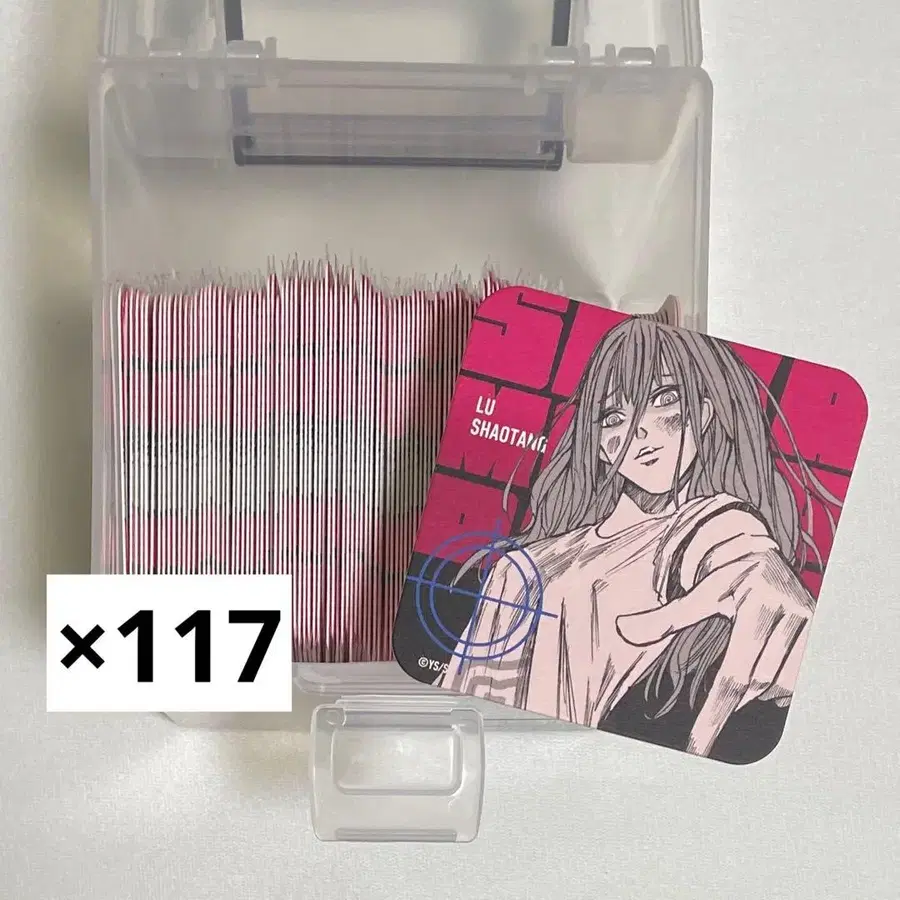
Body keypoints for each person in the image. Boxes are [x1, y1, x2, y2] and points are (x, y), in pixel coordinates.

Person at [437, 315, 840, 760]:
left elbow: (727, 546)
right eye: (614, 417)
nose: (639, 431)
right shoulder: (523, 568)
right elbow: (460, 710)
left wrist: (763, 574)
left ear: (705, 412)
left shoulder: (712, 525)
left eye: (664, 398)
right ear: (599, 443)